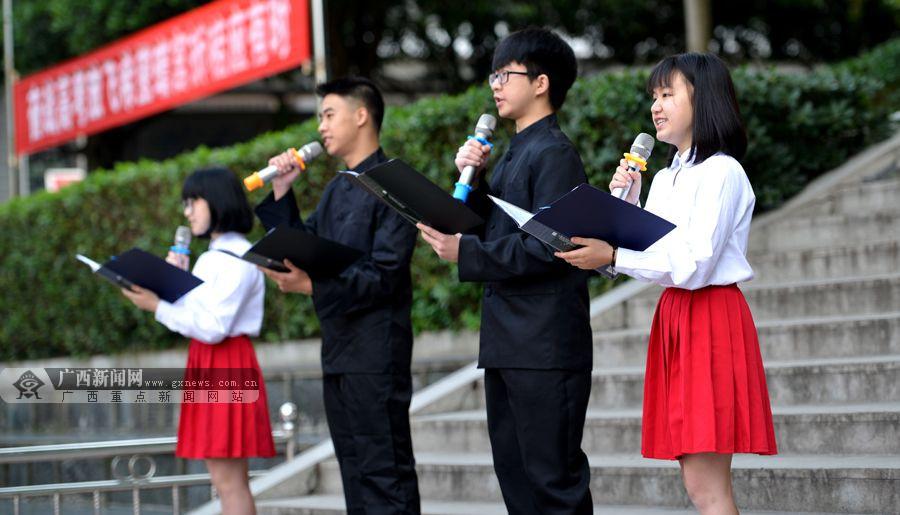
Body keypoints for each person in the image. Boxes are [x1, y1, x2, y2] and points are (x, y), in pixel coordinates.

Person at [555, 53, 778, 515]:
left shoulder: (722, 171)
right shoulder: (666, 177)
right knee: (694, 477)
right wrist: (627, 207)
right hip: (677, 316)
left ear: (704, 98)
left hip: (710, 315)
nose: (656, 106)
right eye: (654, 97)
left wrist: (615, 255)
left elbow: (693, 262)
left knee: (706, 485)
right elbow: (655, 249)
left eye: (668, 94)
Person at [418, 28, 593, 514]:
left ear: (541, 82)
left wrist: (465, 253)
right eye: (493, 74)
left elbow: (551, 247)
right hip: (511, 342)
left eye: (505, 74)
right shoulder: (517, 150)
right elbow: (499, 229)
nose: (494, 85)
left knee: (552, 482)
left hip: (545, 345)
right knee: (517, 479)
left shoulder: (555, 154)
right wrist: (471, 185)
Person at [254, 77, 421, 514]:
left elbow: (385, 275)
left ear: (361, 114)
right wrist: (281, 192)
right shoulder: (337, 188)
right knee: (352, 470)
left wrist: (312, 285)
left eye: (329, 115)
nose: (321, 127)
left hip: (377, 353)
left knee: (385, 472)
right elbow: (305, 242)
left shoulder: (394, 185)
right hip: (339, 349)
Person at [122, 167, 274, 515]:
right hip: (216, 362)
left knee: (229, 484)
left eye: (193, 201)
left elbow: (212, 327)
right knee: (226, 482)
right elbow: (202, 316)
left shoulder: (234, 257)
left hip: (224, 361)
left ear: (218, 201)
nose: (187, 211)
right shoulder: (218, 256)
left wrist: (157, 305)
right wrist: (174, 282)